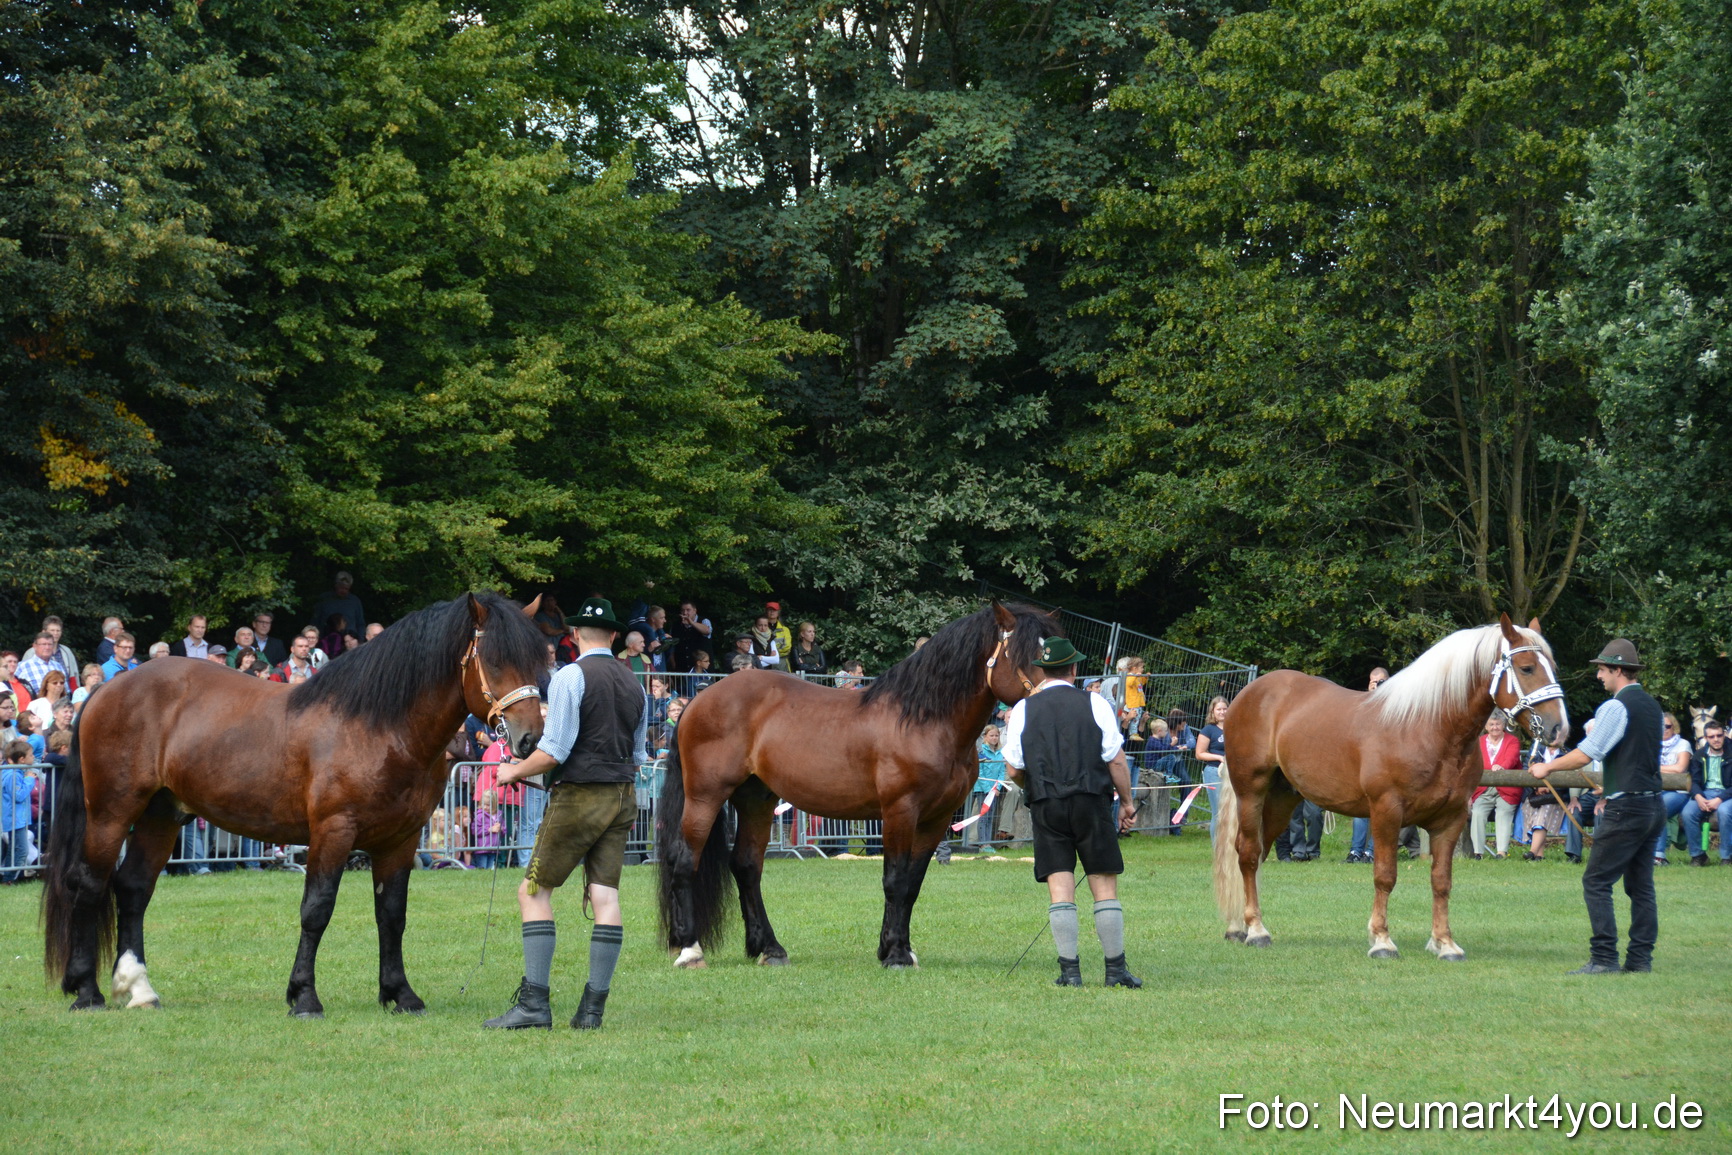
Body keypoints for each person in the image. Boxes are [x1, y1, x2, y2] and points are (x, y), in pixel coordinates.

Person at [485, 597, 648, 1031]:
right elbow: (638, 754)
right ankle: (592, 1011)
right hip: (623, 796)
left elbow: (554, 749)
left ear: (574, 636)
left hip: (579, 798)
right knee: (605, 897)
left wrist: (511, 771)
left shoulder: (569, 677)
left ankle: (535, 1005)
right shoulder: (637, 684)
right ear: (615, 636)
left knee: (532, 892)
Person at [1001, 637, 1142, 990]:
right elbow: (1117, 759)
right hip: (1091, 801)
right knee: (1104, 884)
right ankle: (1115, 971)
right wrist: (1126, 802)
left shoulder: (1023, 709)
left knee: (1060, 887)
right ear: (1075, 669)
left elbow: (1013, 769)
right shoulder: (1095, 702)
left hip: (1047, 804)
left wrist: (1036, 786)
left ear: (1042, 671)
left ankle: (1070, 972)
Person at [1531, 638, 1666, 974]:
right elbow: (1639, 756)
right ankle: (1639, 961)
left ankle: (1604, 958)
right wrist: (1615, 782)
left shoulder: (1615, 707)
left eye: (1603, 670)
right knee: (1640, 886)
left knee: (1596, 882)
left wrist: (1547, 767)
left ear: (1619, 670)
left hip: (1628, 811)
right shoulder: (1652, 707)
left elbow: (1588, 752)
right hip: (1653, 805)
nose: (1599, 677)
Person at [1469, 715, 1523, 858]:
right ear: (1486, 727)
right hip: (1483, 789)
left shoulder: (1512, 741)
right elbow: (1472, 764)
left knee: (1503, 813)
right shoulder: (1479, 742)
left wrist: (1501, 767)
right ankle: (1477, 852)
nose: (1494, 727)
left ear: (1503, 725)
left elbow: (1512, 758)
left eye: (1498, 724)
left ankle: (1501, 852)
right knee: (1477, 813)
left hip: (1507, 788)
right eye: (1491, 724)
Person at [1680, 719, 1731, 866]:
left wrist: (1719, 799)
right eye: (1711, 737)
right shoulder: (1699, 755)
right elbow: (1694, 781)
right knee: (1688, 813)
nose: (1716, 739)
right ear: (1706, 738)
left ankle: (1727, 857)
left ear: (1724, 734)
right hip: (1705, 793)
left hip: (1727, 794)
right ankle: (1698, 855)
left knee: (1724, 811)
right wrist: (1698, 797)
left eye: (1719, 735)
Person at [1651, 713, 1694, 865]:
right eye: (1660, 726)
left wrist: (1655, 768)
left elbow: (1680, 768)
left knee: (1658, 809)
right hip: (1654, 790)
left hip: (1678, 792)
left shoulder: (1683, 744)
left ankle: (1658, 855)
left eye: (1667, 726)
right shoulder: (1650, 744)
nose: (1663, 729)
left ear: (1674, 727)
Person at [1194, 696, 1228, 846]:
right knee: (1219, 813)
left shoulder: (1234, 727)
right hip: (1214, 772)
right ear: (1212, 712)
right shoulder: (1208, 730)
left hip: (1232, 773)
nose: (1222, 712)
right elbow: (1199, 753)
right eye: (1219, 709)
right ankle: (1218, 849)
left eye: (1225, 708)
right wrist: (1220, 758)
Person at [967, 725, 1008, 851]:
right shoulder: (981, 751)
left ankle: (988, 842)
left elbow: (1002, 771)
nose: (994, 738)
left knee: (990, 816)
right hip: (983, 789)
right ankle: (982, 843)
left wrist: (997, 787)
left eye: (996, 735)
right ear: (985, 737)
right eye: (991, 735)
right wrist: (988, 789)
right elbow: (980, 773)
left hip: (994, 790)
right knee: (983, 816)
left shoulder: (1000, 752)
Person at [1, 739, 37, 882]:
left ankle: (7, 879)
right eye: (31, 755)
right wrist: (29, 780)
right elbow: (19, 795)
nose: (33, 757)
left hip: (18, 818)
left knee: (14, 849)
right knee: (22, 851)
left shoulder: (15, 772)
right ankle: (9, 879)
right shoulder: (12, 774)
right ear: (22, 759)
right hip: (15, 819)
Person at [309, 571, 365, 640]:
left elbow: (360, 624)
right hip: (327, 641)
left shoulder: (355, 601)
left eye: (346, 589)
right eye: (341, 588)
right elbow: (315, 622)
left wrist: (360, 640)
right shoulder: (324, 599)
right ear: (336, 586)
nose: (343, 591)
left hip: (350, 641)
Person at [18, 631, 73, 696]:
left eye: (49, 644)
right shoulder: (22, 667)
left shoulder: (58, 666)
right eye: (43, 644)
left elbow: (67, 692)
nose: (47, 647)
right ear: (34, 646)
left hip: (58, 704)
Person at [668, 600, 714, 673]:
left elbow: (707, 631)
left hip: (703, 669)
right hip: (682, 667)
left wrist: (691, 623)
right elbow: (672, 647)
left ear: (695, 611)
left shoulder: (704, 621)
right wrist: (673, 663)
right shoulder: (675, 625)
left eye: (688, 610)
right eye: (683, 610)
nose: (685, 613)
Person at [40, 616, 79, 684]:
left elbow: (75, 675)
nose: (56, 633)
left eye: (58, 630)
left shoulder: (67, 651)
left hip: (66, 693)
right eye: (52, 630)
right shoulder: (32, 652)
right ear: (44, 632)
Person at [763, 602, 793, 671]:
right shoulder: (761, 629)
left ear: (778, 612)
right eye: (769, 610)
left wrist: (774, 654)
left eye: (774, 610)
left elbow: (787, 647)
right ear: (766, 612)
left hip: (781, 663)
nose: (772, 612)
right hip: (765, 662)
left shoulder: (785, 629)